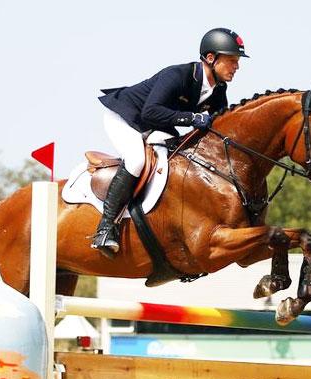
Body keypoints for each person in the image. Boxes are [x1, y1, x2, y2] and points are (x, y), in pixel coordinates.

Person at [91, 27, 249, 258]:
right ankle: (105, 228)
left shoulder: (219, 89)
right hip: (126, 117)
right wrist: (192, 118)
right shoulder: (178, 75)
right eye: (232, 60)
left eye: (237, 61)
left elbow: (217, 126)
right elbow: (151, 111)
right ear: (211, 58)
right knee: (135, 160)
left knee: (178, 158)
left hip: (156, 126)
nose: (237, 66)